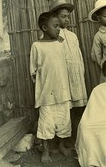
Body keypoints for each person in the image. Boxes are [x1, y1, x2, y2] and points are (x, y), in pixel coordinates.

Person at [30, 12, 72, 163]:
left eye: (59, 26)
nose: (59, 29)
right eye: (55, 26)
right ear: (44, 28)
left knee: (63, 120)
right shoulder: (36, 46)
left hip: (62, 91)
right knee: (46, 122)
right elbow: (33, 71)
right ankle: (45, 150)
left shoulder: (60, 43)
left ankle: (61, 145)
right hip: (46, 93)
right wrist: (39, 91)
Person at [49, 0, 88, 108]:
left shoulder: (72, 35)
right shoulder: (54, 35)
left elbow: (78, 56)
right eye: (63, 17)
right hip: (63, 74)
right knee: (66, 104)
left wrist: (80, 69)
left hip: (75, 72)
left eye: (68, 16)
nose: (67, 19)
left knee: (78, 104)